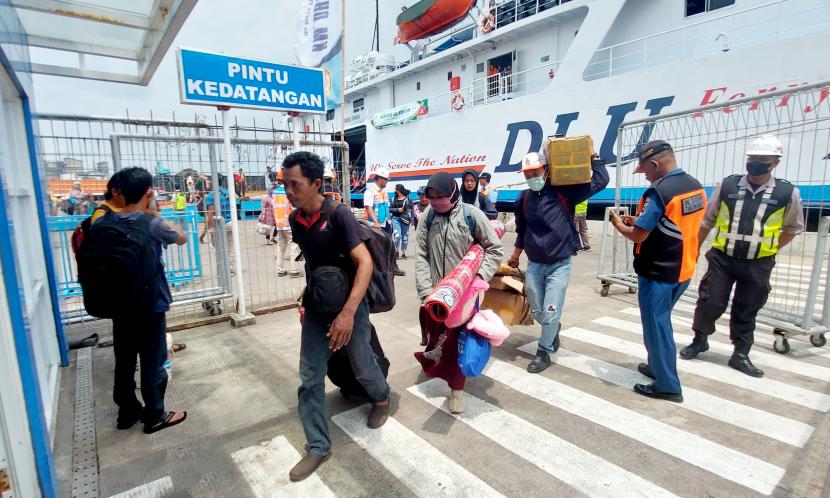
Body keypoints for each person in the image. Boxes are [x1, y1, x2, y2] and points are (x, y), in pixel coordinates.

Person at [282, 151, 390, 481]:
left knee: (360, 361)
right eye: (284, 184)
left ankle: (382, 398)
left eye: (294, 184)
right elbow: (314, 264)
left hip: (350, 306)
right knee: (309, 376)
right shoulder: (295, 219)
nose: (288, 191)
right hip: (317, 307)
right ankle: (318, 445)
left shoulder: (339, 214)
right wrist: (307, 300)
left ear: (316, 184)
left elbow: (365, 263)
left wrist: (347, 313)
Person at [681, 134, 804, 377]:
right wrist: (693, 251)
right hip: (722, 258)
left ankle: (740, 353)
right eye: (753, 158)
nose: (755, 163)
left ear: (775, 162)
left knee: (747, 307)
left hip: (758, 263)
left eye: (762, 159)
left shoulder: (787, 193)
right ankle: (700, 339)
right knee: (710, 300)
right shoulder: (727, 186)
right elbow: (707, 221)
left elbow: (793, 228)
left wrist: (767, 248)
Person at [609, 140, 706, 402]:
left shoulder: (659, 192)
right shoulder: (694, 186)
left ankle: (667, 385)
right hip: (683, 268)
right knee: (659, 322)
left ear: (655, 164)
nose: (646, 177)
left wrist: (619, 224)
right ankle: (655, 366)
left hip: (659, 272)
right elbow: (673, 224)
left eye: (646, 171)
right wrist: (638, 220)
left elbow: (639, 236)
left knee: (657, 326)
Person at [96, 167, 188, 434]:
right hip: (150, 304)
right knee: (152, 361)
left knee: (124, 360)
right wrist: (154, 212)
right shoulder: (152, 223)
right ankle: (155, 415)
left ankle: (126, 413)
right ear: (149, 192)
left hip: (119, 304)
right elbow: (181, 238)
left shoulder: (103, 222)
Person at [507, 150, 609, 373]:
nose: (531, 177)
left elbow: (601, 180)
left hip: (559, 265)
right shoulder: (523, 199)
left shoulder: (564, 193)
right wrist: (515, 256)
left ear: (546, 170)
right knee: (538, 312)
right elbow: (522, 231)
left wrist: (594, 159)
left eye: (535, 172)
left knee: (550, 311)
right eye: (527, 174)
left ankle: (544, 351)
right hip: (534, 265)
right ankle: (553, 328)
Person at [415, 172, 503, 414]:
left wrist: (479, 277)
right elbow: (421, 254)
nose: (435, 202)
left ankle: (456, 391)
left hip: (465, 295)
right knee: (437, 339)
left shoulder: (471, 215)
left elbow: (494, 249)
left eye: (440, 197)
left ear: (452, 194)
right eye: (430, 197)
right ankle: (438, 368)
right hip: (436, 294)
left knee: (457, 343)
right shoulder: (428, 217)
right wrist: (425, 289)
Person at [364, 167, 405, 276]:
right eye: (386, 179)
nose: (386, 182)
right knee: (378, 246)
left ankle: (393, 267)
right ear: (380, 179)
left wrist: (389, 219)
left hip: (386, 222)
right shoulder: (370, 191)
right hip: (377, 224)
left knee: (390, 245)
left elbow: (385, 206)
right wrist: (375, 221)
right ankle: (380, 269)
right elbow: (368, 207)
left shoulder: (384, 191)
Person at [205, 175, 236, 276]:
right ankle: (230, 269)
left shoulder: (211, 195)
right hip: (231, 222)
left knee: (216, 247)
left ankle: (222, 269)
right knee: (230, 247)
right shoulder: (228, 193)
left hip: (219, 224)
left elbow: (210, 212)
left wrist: (210, 227)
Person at [273, 172, 301, 277]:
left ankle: (280, 270)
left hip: (279, 223)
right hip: (289, 224)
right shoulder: (289, 192)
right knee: (293, 245)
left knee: (280, 247)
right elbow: (294, 208)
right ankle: (294, 270)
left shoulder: (274, 192)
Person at [390, 184, 413, 260]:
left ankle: (403, 253)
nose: (395, 190)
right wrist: (397, 210)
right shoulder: (393, 199)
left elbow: (411, 209)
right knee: (397, 236)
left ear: (399, 189)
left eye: (396, 188)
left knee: (405, 237)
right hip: (396, 219)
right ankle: (396, 252)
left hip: (405, 220)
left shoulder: (408, 198)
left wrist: (412, 219)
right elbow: (389, 209)